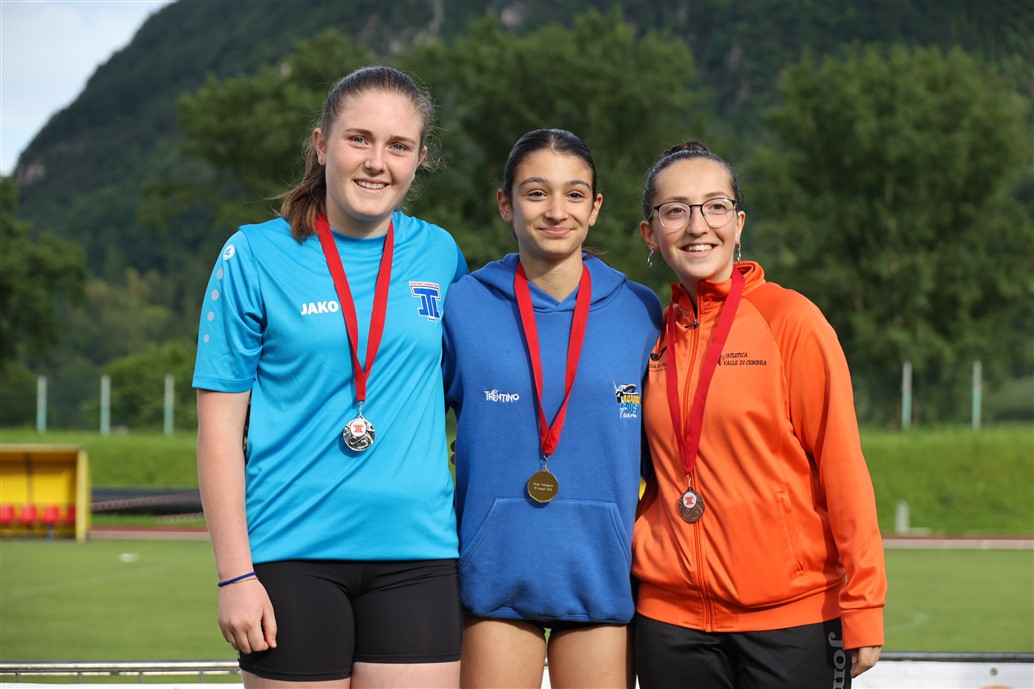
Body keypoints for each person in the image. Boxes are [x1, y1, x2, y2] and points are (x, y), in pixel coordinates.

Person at [193, 65, 467, 688]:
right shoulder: (252, 255)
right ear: (321, 145)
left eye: (398, 146)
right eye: (358, 139)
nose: (376, 162)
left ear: (420, 158)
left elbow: (470, 392)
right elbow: (218, 432)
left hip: (419, 555)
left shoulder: (440, 254)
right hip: (291, 555)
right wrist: (234, 575)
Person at [632, 141, 886, 689]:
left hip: (789, 619)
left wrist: (864, 602)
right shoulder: (649, 332)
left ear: (739, 223)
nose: (697, 225)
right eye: (675, 210)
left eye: (715, 206)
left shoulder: (790, 320)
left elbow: (843, 468)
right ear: (650, 234)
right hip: (670, 620)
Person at [442, 128, 663, 689]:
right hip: (494, 573)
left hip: (601, 573)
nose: (556, 211)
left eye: (574, 194)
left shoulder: (640, 311)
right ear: (505, 204)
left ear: (596, 208)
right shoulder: (463, 304)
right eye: (536, 193)